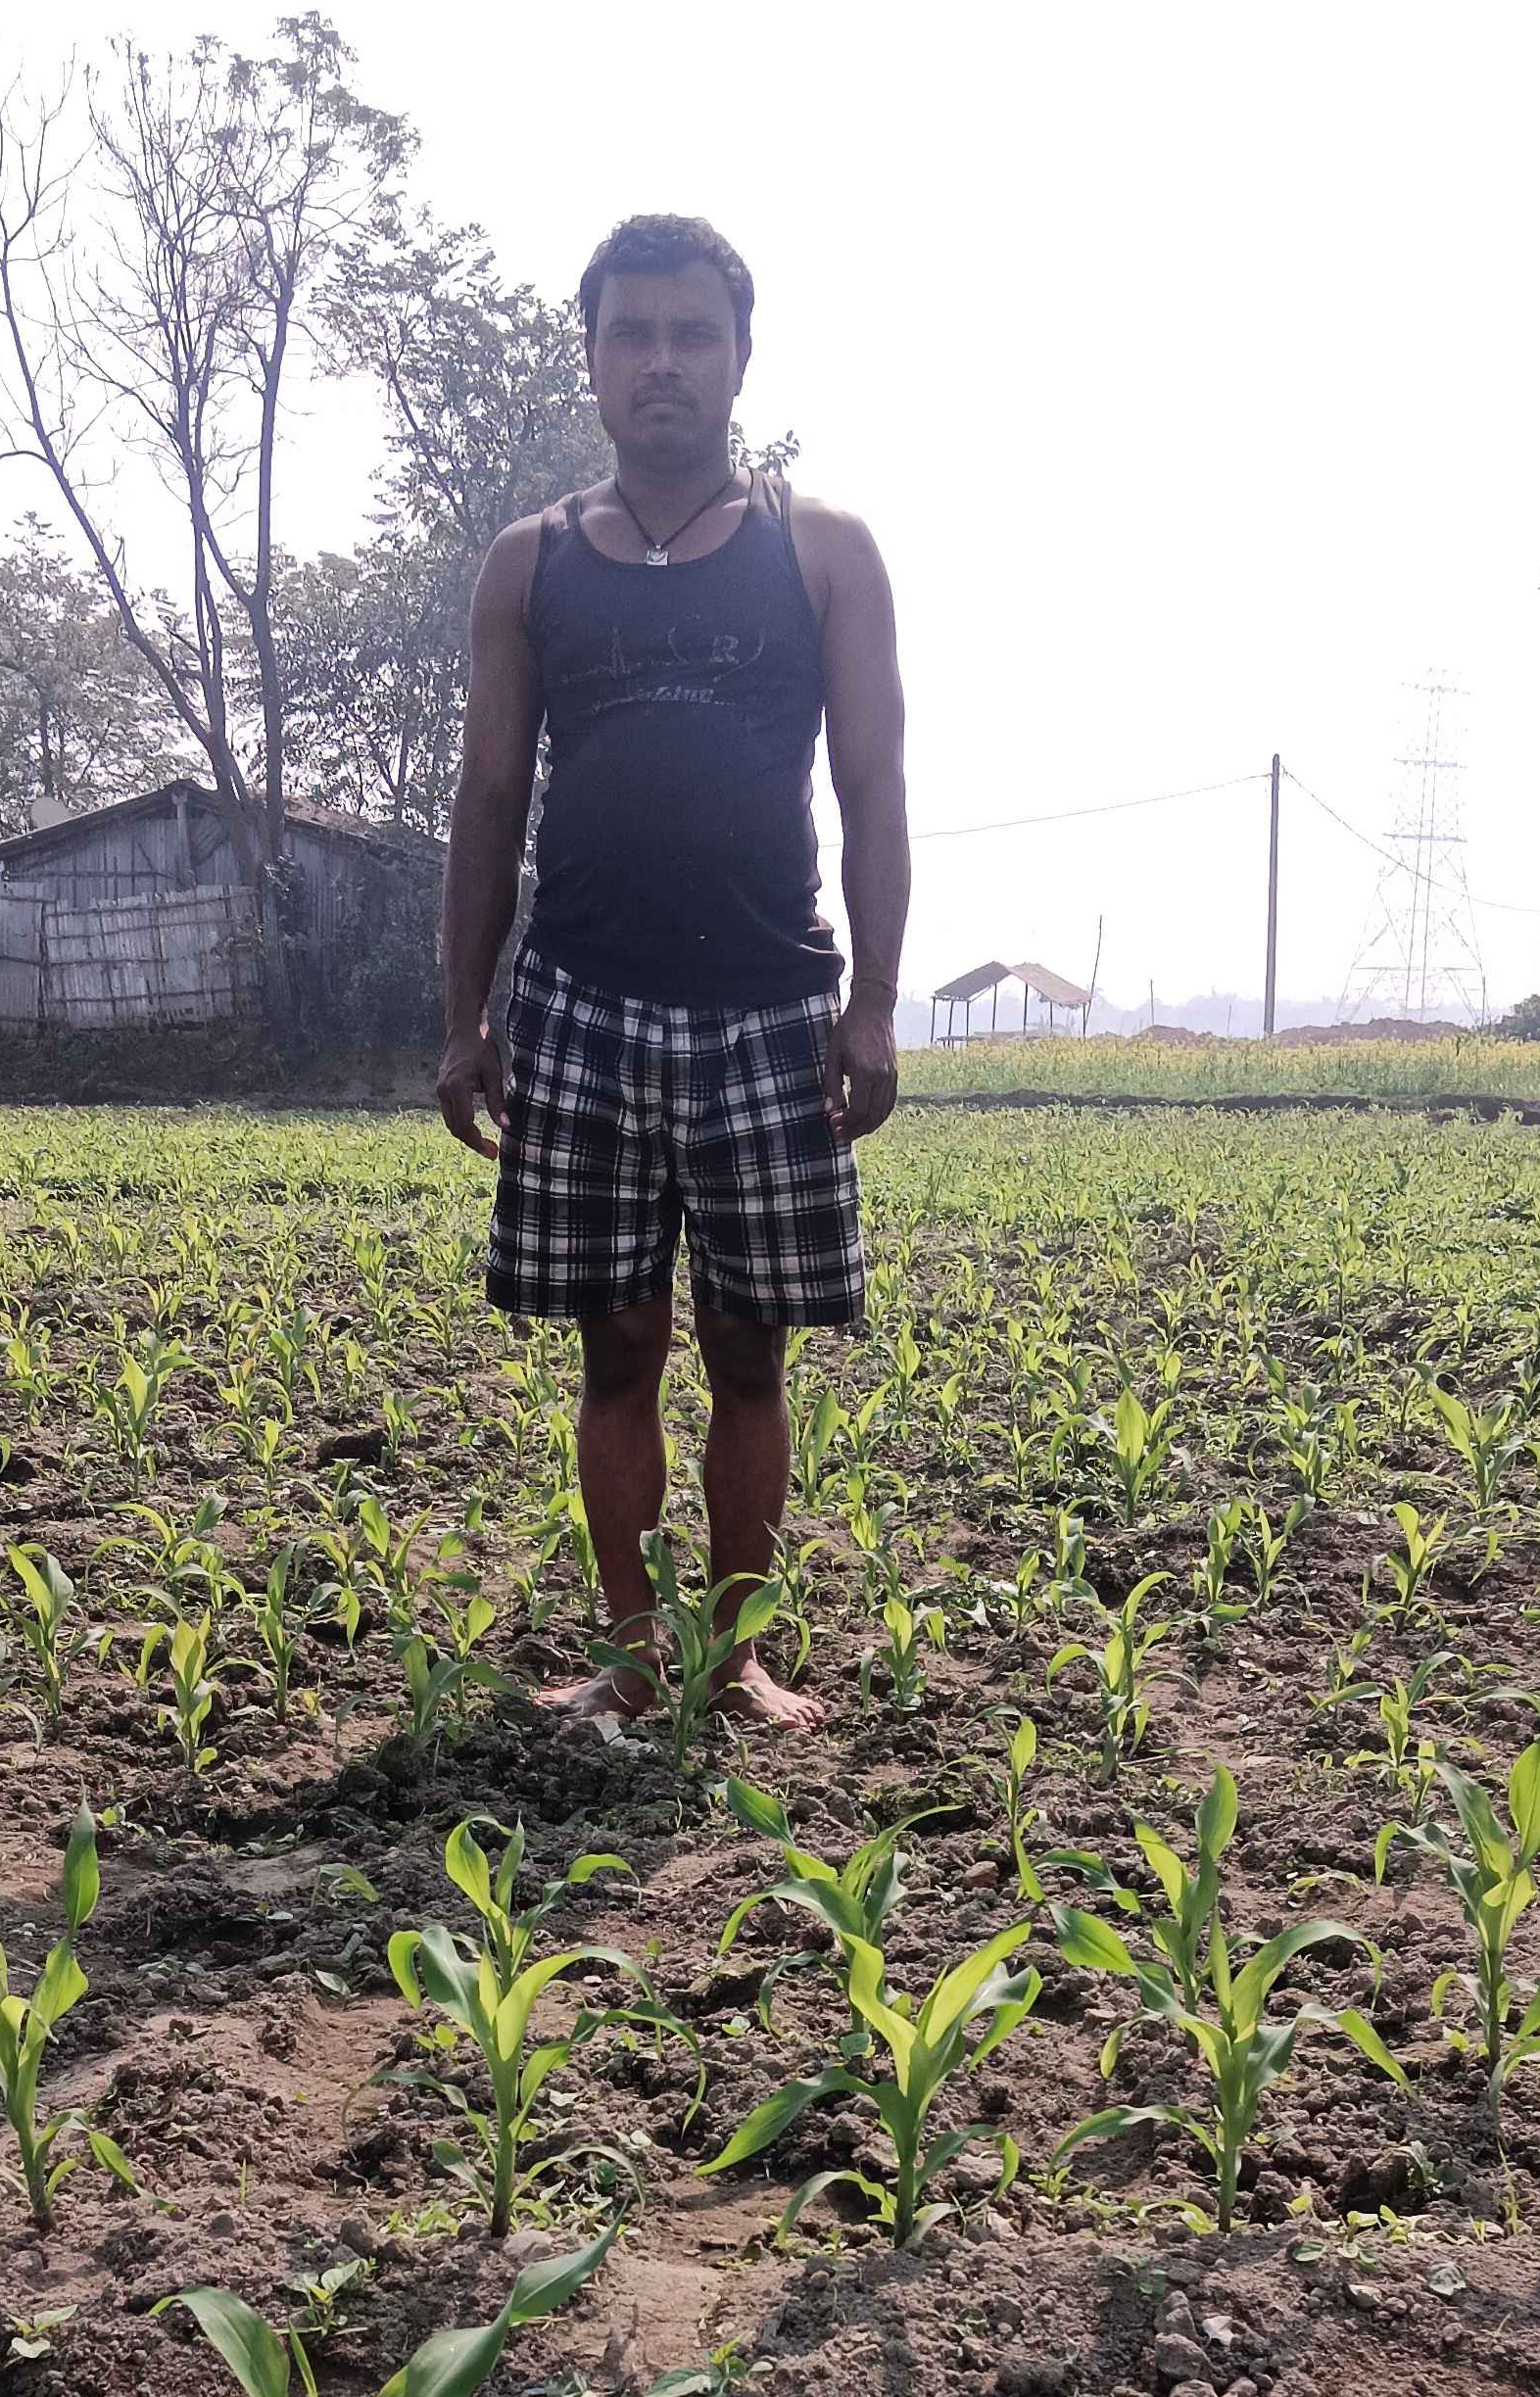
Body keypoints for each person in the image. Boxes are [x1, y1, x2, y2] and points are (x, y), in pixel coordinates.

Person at [436, 211, 908, 1730]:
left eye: (691, 334)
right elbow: (489, 798)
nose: (662, 362)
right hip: (580, 1004)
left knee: (750, 1346)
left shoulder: (821, 553)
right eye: (631, 334)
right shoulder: (531, 566)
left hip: (771, 1006)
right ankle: (637, 1651)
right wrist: (464, 1017)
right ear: (590, 361)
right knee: (620, 1342)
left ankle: (738, 1653)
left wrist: (874, 1006)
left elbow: (873, 791)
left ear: (740, 357)